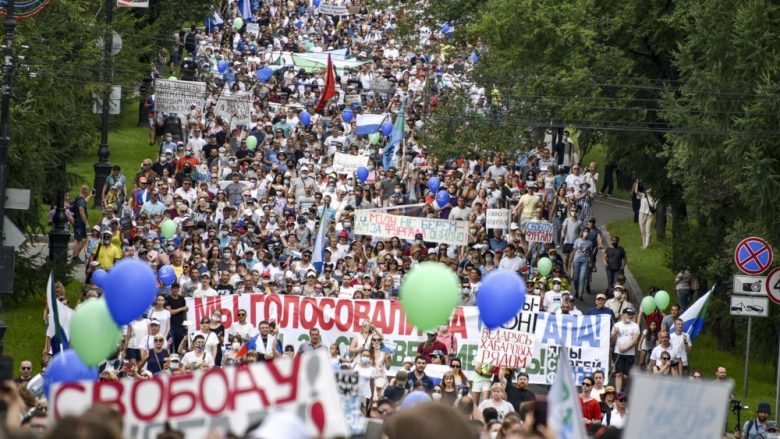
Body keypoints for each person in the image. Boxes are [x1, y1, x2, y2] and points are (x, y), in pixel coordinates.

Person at [610, 308, 640, 392]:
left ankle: (622, 388)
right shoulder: (617, 325)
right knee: (618, 373)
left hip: (629, 353)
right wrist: (615, 334)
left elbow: (635, 340)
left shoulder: (635, 326)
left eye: (631, 314)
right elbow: (612, 340)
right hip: (617, 352)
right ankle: (618, 393)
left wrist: (625, 348)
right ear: (623, 314)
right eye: (628, 314)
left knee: (626, 376)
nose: (629, 316)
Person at [71, 185, 91, 262]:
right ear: (85, 191)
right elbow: (81, 210)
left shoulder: (78, 199)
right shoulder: (81, 201)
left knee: (83, 239)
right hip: (80, 223)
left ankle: (76, 256)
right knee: (78, 239)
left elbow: (83, 202)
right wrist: (86, 223)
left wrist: (90, 196)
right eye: (88, 192)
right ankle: (74, 257)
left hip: (77, 222)